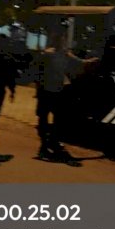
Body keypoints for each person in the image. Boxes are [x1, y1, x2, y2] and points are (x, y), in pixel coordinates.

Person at [35, 30, 96, 159]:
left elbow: (80, 62)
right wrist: (38, 88)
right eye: (60, 39)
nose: (62, 42)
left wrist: (91, 61)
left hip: (57, 90)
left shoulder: (64, 54)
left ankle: (51, 143)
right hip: (46, 90)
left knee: (56, 119)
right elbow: (38, 71)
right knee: (44, 119)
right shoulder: (48, 54)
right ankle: (44, 145)